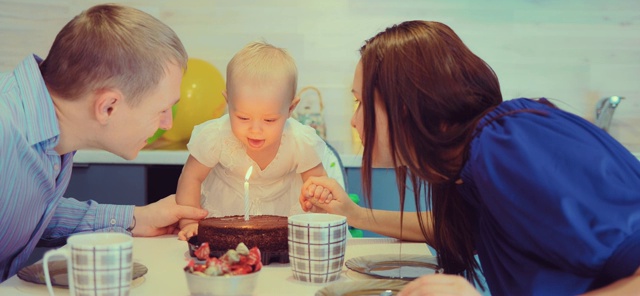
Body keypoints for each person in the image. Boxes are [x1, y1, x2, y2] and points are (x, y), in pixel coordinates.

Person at [302, 20, 640, 295]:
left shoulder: (509, 142)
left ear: (403, 107)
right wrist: (354, 214)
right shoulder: (466, 166)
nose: (354, 120)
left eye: (360, 103)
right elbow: (448, 228)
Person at [0, 4, 208, 282]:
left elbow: (23, 213)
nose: (168, 124)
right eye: (161, 110)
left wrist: (135, 218)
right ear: (108, 107)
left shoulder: (47, 128)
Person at [176, 41, 331, 240]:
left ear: (291, 109)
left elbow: (318, 182)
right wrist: (189, 222)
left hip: (283, 220)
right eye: (243, 117)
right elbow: (191, 177)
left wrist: (317, 193)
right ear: (228, 102)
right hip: (225, 216)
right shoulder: (216, 136)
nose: (255, 130)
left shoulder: (300, 141)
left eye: (269, 120)